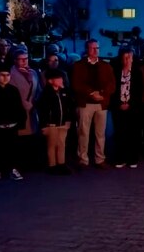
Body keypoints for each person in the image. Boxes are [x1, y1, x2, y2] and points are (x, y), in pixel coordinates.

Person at [71, 39, 115, 168]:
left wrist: (102, 93)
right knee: (83, 132)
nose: (96, 51)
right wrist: (91, 93)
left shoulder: (106, 66)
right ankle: (83, 159)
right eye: (93, 48)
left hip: (102, 103)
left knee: (100, 133)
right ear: (87, 49)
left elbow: (112, 84)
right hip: (85, 103)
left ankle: (100, 159)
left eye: (97, 48)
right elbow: (76, 83)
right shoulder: (78, 65)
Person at [0, 66, 26, 181]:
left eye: (8, 75)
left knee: (12, 149)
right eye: (2, 75)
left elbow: (19, 108)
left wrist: (20, 122)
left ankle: (12, 169)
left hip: (12, 125)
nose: (5, 77)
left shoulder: (13, 90)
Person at [37, 69, 74, 175]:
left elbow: (69, 107)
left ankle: (61, 163)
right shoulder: (46, 94)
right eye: (58, 78)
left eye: (61, 78)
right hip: (51, 124)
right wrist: (44, 124)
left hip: (63, 123)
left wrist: (68, 120)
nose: (61, 80)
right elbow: (42, 110)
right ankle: (52, 165)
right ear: (50, 81)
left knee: (62, 144)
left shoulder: (64, 92)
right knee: (52, 145)